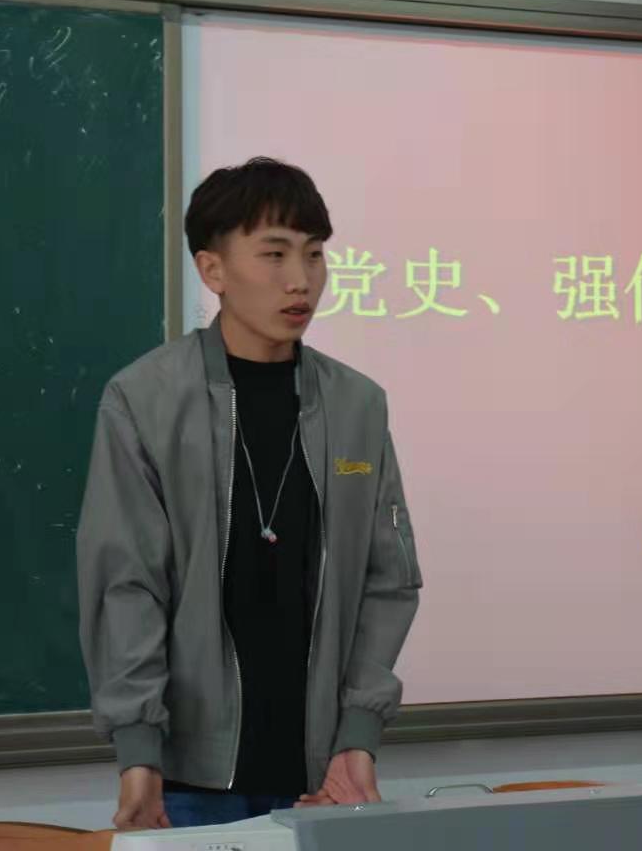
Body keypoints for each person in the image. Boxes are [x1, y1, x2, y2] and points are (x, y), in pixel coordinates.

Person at [77, 157, 423, 831]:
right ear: (213, 270)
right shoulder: (145, 400)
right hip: (189, 780)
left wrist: (357, 737)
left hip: (323, 777)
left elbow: (388, 581)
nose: (301, 280)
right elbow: (126, 584)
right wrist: (138, 753)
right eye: (274, 254)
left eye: (314, 254)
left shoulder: (356, 405)